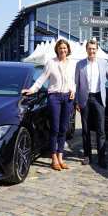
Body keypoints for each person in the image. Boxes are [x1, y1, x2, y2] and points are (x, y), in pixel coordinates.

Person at [22, 39, 75, 171]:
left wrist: (73, 90)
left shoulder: (72, 64)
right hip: (55, 97)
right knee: (55, 129)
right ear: (57, 49)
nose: (63, 50)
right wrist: (32, 89)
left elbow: (73, 81)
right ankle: (54, 158)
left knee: (64, 128)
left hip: (68, 98)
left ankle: (60, 157)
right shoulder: (51, 62)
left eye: (65, 48)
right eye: (60, 48)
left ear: (68, 49)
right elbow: (41, 79)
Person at [75, 38, 108, 168]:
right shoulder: (80, 64)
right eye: (89, 48)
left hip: (98, 98)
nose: (92, 51)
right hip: (85, 98)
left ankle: (101, 157)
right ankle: (87, 156)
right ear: (86, 49)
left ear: (96, 50)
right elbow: (76, 83)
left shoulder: (103, 63)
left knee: (101, 129)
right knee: (85, 129)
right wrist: (76, 101)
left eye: (94, 49)